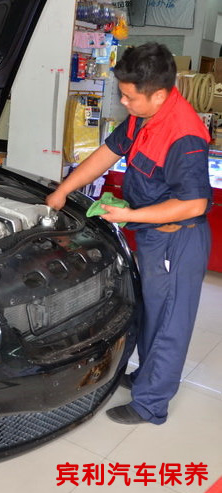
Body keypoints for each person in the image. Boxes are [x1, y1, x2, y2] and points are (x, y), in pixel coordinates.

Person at [46, 43, 212, 425]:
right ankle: (145, 376)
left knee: (169, 322)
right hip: (153, 236)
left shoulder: (184, 136)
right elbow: (107, 152)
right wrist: (63, 190)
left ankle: (151, 404)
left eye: (129, 96)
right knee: (150, 310)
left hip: (178, 239)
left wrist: (131, 214)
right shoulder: (143, 116)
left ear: (159, 95)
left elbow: (194, 204)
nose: (123, 102)